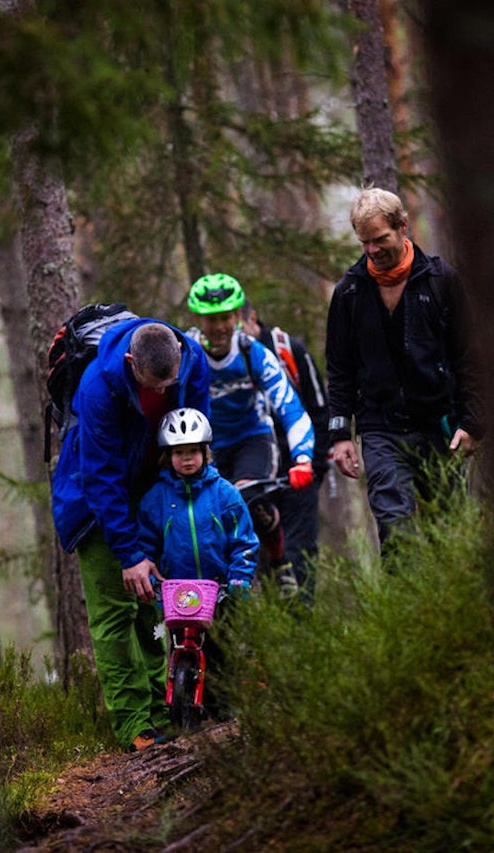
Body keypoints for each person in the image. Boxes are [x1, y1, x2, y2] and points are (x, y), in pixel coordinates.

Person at [51, 318, 210, 752]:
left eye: (168, 385)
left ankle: (165, 711)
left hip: (150, 497)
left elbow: (196, 432)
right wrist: (128, 554)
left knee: (154, 610)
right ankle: (134, 724)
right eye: (151, 386)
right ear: (129, 362)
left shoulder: (191, 363)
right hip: (94, 506)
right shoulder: (97, 389)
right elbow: (100, 477)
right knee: (115, 616)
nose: (160, 394)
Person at [325, 187, 481, 552]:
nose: (372, 251)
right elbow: (340, 370)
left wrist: (473, 423)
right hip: (380, 431)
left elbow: (470, 358)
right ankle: (402, 607)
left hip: (439, 428)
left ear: (403, 227)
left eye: (380, 239)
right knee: (396, 531)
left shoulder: (441, 281)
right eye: (365, 243)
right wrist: (340, 435)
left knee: (450, 533)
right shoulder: (349, 293)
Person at [185, 273, 317, 597]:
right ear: (199, 319)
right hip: (208, 446)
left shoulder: (252, 354)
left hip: (252, 440)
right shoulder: (188, 354)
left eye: (226, 318)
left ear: (238, 316)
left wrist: (302, 458)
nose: (218, 327)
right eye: (211, 319)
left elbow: (291, 408)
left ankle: (279, 560)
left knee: (247, 498)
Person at [137, 407, 258, 719]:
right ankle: (178, 708)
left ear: (206, 452)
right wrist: (149, 571)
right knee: (177, 647)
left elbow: (244, 541)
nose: (187, 459)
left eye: (193, 451)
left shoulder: (225, 495)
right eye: (179, 453)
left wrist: (240, 577)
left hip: (219, 590)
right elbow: (147, 543)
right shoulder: (156, 499)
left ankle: (223, 710)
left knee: (220, 652)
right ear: (167, 456)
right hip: (177, 592)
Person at [240, 300, 330, 590]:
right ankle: (269, 628)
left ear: (252, 317)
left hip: (296, 472)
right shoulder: (227, 361)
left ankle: (301, 625)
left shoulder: (287, 349)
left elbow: (318, 409)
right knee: (260, 556)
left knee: (299, 552)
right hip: (253, 473)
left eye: (235, 325)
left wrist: (314, 467)